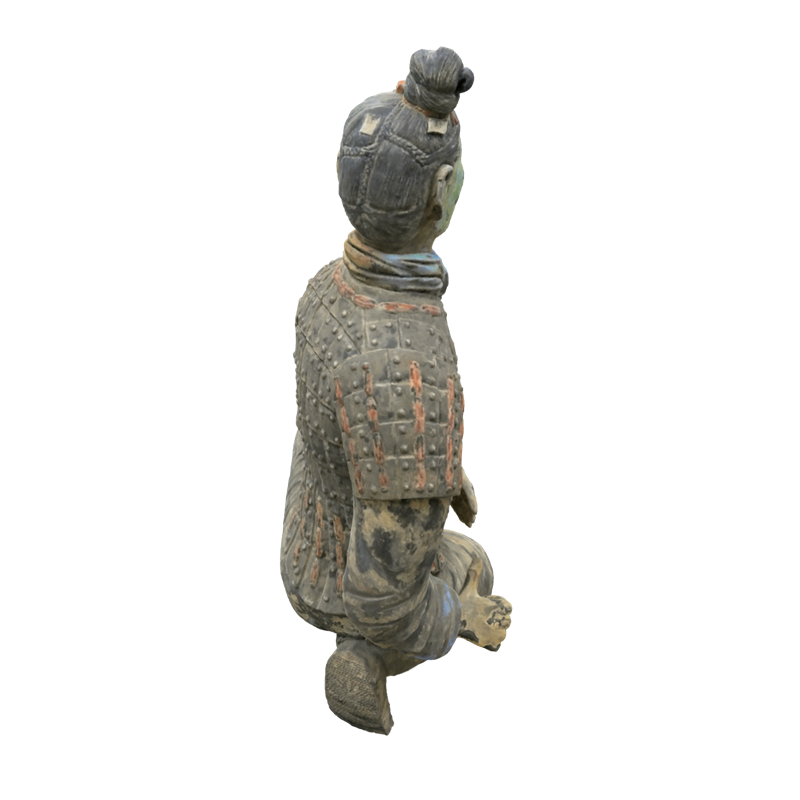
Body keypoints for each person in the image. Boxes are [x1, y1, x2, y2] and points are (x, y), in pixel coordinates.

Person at [280, 46, 512, 735]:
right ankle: (362, 658)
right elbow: (383, 597)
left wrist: (432, 470)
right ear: (441, 189)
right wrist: (461, 616)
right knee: (474, 567)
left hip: (308, 530)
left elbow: (342, 421)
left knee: (445, 545)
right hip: (341, 580)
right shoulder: (412, 374)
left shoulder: (326, 284)